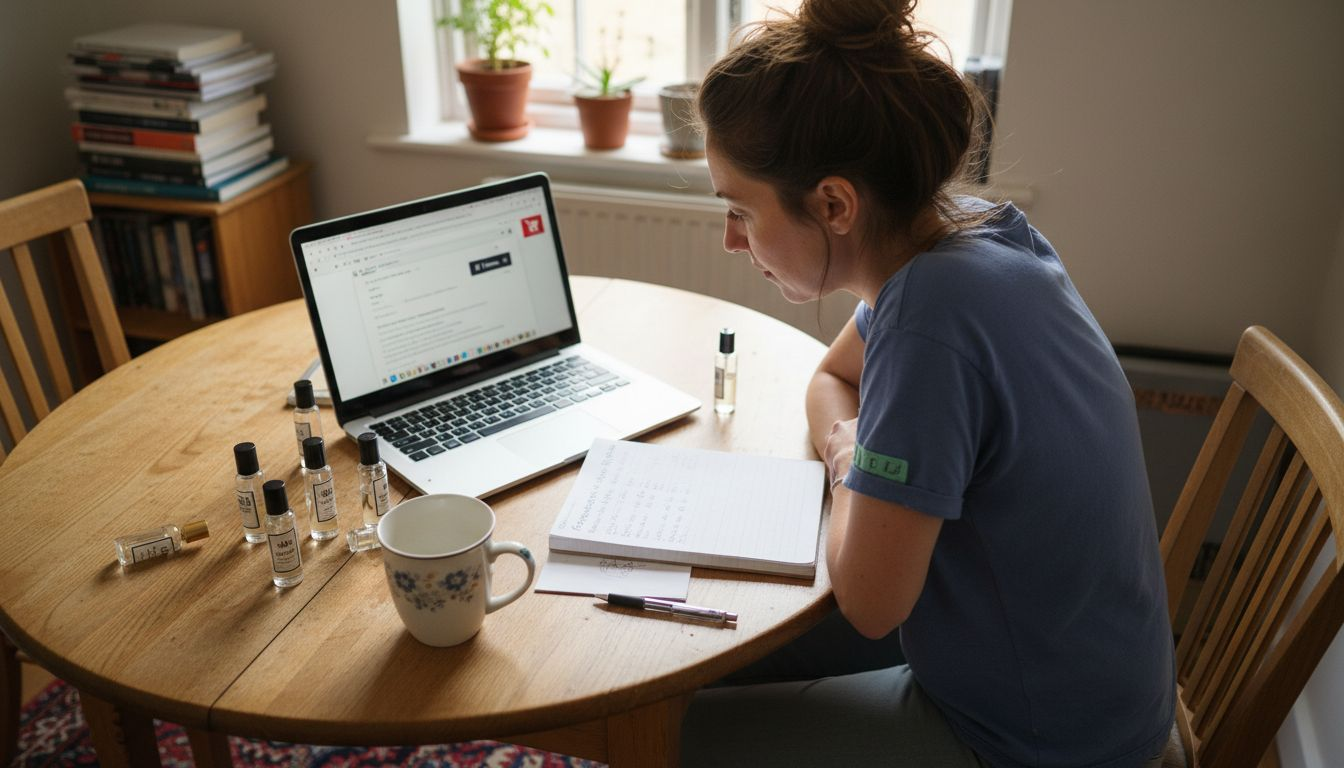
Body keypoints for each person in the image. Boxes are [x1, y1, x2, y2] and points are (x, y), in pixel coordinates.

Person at [678, 1, 1176, 766]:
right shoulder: (970, 231)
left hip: (1040, 741)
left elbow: (871, 603)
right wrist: (859, 455)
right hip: (1081, 681)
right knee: (714, 646)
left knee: (661, 732)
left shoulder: (929, 317)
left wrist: (851, 461)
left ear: (835, 204)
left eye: (741, 210)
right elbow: (832, 379)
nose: (730, 239)